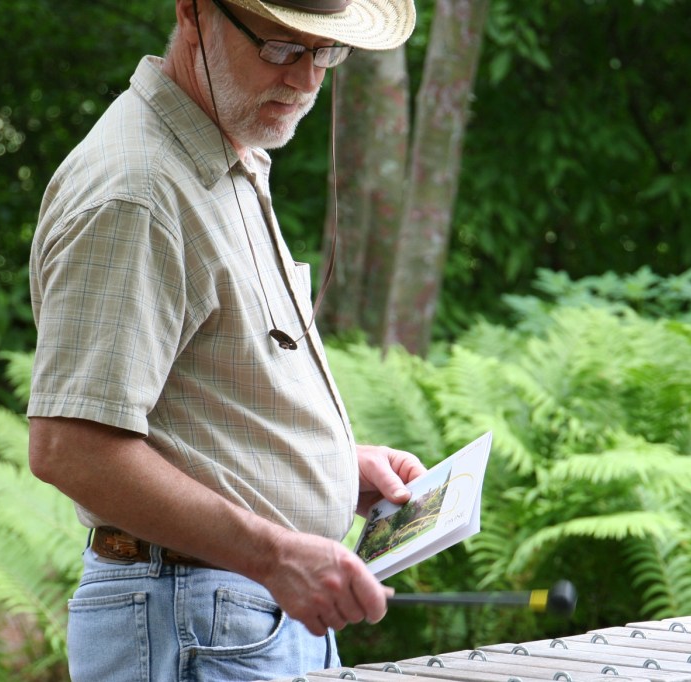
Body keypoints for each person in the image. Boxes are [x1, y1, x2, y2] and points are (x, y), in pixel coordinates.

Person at [26, 0, 423, 679]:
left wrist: (322, 467)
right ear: (193, 12)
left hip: (222, 619)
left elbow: (200, 396)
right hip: (191, 621)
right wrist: (275, 554)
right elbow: (71, 447)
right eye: (279, 48)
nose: (303, 80)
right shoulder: (138, 190)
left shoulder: (218, 149)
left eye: (325, 53)